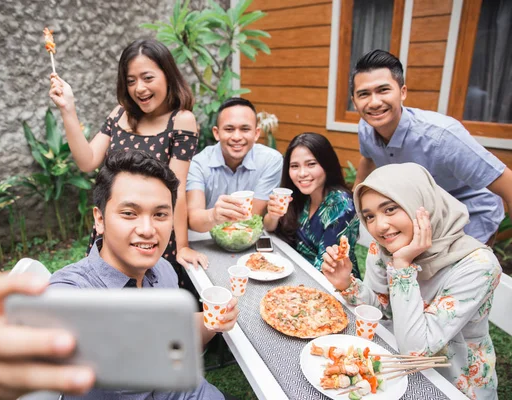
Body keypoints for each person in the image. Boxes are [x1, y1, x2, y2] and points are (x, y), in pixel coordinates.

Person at [0, 150, 239, 400]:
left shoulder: (162, 269)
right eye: (129, 213)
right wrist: (8, 363)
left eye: (160, 215)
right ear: (100, 219)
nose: (148, 229)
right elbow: (42, 337)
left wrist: (211, 320)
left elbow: (172, 335)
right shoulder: (75, 293)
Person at [322, 163, 501, 400]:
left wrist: (402, 267)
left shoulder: (477, 265)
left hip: (454, 385)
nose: (380, 226)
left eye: (390, 209)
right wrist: (347, 283)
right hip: (394, 369)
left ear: (421, 204)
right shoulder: (385, 247)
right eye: (370, 216)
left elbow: (415, 351)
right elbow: (382, 311)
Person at [49, 38, 208, 279]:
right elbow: (87, 161)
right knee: (109, 297)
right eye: (131, 81)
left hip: (151, 231)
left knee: (151, 301)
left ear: (167, 75)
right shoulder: (119, 113)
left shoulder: (181, 120)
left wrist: (183, 245)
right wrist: (67, 109)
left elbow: (178, 188)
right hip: (117, 229)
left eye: (148, 78)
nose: (139, 88)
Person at [350, 49, 512, 245]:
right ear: (354, 101)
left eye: (383, 90)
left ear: (402, 92)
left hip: (471, 214)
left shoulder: (442, 136)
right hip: (425, 213)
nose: (374, 102)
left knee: (458, 273)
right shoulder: (366, 128)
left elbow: (507, 183)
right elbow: (368, 159)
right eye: (364, 94)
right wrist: (356, 200)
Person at [264, 133, 360, 277]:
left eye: (311, 164)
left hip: (332, 286)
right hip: (296, 271)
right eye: (295, 166)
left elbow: (325, 268)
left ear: (327, 164)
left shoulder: (341, 205)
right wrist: (273, 216)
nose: (302, 173)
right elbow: (269, 228)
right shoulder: (300, 195)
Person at [186, 98, 283, 232]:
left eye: (245, 129)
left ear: (256, 134)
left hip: (249, 237)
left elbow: (253, 217)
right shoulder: (198, 164)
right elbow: (193, 219)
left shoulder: (271, 160)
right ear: (216, 133)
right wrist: (213, 215)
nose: (237, 137)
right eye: (229, 129)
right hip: (206, 237)